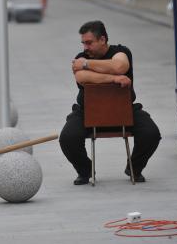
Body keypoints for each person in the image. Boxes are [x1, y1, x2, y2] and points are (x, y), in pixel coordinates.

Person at [59, 20, 161, 185]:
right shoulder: (80, 57)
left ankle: (134, 168)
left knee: (151, 134)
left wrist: (86, 65)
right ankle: (85, 170)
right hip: (88, 110)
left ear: (103, 39)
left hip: (123, 109)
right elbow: (82, 77)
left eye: (89, 42)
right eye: (83, 43)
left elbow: (120, 66)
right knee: (67, 138)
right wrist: (114, 78)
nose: (85, 48)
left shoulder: (120, 51)